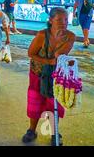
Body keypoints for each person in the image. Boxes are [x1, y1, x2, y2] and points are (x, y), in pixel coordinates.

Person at [22, 8, 75, 146]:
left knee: (54, 104)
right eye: (59, 20)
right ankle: (31, 130)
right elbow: (31, 53)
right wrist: (48, 61)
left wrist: (60, 37)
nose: (63, 23)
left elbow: (59, 55)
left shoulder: (70, 36)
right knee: (35, 102)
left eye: (65, 20)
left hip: (57, 76)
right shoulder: (41, 35)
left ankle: (54, 133)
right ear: (51, 20)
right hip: (38, 74)